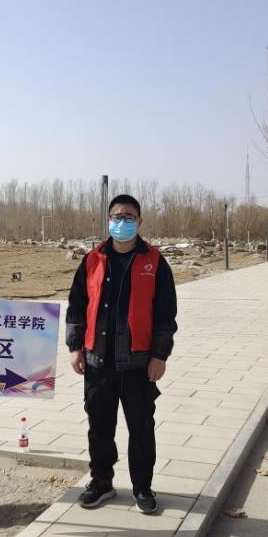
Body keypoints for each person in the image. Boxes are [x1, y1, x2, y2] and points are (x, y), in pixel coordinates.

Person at [65, 194, 178, 514]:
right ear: (108, 220)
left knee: (141, 428)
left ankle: (142, 487)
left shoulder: (154, 262)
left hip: (138, 363)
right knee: (99, 426)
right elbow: (76, 306)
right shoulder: (93, 260)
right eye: (117, 216)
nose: (122, 222)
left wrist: (160, 355)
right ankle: (101, 482)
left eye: (129, 217)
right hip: (98, 361)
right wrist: (75, 347)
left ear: (139, 222)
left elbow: (166, 314)